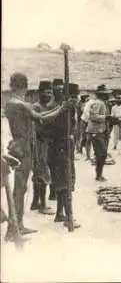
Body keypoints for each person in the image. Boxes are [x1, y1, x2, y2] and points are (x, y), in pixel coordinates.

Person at [4, 73, 72, 241]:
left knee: (21, 189)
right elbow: (42, 118)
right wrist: (62, 108)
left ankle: (17, 225)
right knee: (19, 189)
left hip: (18, 144)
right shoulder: (22, 105)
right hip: (24, 147)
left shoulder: (10, 104)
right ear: (26, 86)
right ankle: (14, 229)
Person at [46, 82, 80, 229]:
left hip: (65, 147)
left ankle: (60, 213)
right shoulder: (54, 107)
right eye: (58, 90)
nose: (60, 92)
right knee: (64, 182)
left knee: (63, 181)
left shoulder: (67, 107)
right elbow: (49, 128)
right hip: (58, 148)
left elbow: (72, 126)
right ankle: (68, 216)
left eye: (62, 90)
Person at [30, 80, 55, 215]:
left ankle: (35, 202)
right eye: (45, 92)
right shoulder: (36, 107)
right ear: (39, 93)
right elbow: (39, 126)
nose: (48, 94)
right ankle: (43, 205)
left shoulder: (48, 107)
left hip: (45, 143)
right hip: (39, 143)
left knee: (39, 173)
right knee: (42, 173)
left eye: (50, 92)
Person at [87, 84, 113, 182]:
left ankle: (99, 173)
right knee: (101, 153)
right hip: (96, 131)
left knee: (103, 153)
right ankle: (98, 174)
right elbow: (93, 116)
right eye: (106, 94)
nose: (108, 96)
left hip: (102, 131)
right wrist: (105, 117)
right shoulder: (98, 103)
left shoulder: (104, 103)